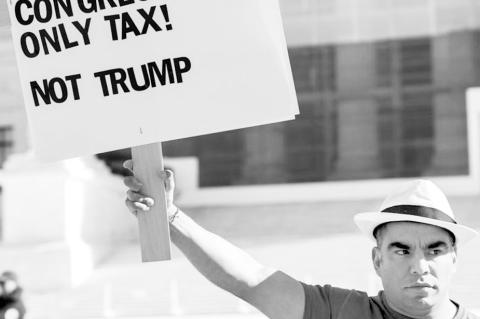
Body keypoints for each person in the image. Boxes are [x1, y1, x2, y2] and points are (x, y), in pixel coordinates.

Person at [123, 160, 479, 319]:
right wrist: (171, 217)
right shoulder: (340, 313)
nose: (420, 266)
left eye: (435, 249)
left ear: (454, 258)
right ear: (377, 260)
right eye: (401, 250)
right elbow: (251, 280)